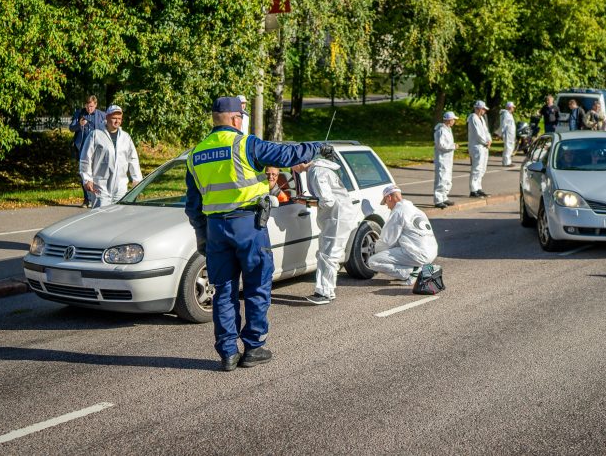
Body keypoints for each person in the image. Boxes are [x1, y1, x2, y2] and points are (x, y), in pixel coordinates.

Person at [185, 96, 323, 372]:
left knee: (224, 290)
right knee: (257, 286)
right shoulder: (245, 144)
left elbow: (193, 204)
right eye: (242, 117)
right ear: (236, 119)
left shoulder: (196, 154)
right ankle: (253, 347)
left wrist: (202, 235)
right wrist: (317, 147)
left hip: (216, 229)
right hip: (248, 226)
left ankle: (227, 353)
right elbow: (286, 155)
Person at [298, 150, 362, 305]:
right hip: (339, 216)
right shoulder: (320, 169)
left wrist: (306, 202)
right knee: (329, 255)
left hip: (337, 218)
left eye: (292, 162)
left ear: (302, 161)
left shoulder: (316, 172)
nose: (290, 166)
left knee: (328, 256)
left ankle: (324, 293)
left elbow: (327, 201)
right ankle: (328, 291)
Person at [369, 186, 438, 285]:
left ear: (389, 197)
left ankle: (411, 272)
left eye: (386, 202)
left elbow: (387, 240)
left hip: (418, 254)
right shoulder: (418, 211)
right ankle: (420, 267)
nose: (387, 206)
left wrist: (376, 250)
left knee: (373, 261)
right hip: (432, 252)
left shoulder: (398, 211)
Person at [79, 105, 142, 208]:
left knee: (120, 216)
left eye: (119, 118)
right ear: (107, 117)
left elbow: (133, 159)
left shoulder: (125, 137)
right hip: (100, 188)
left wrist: (137, 179)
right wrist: (87, 179)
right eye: (114, 118)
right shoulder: (95, 135)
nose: (117, 121)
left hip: (121, 188)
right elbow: (85, 159)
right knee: (101, 217)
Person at [69, 95, 107, 207]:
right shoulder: (79, 114)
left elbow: (107, 130)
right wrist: (79, 124)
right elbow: (71, 128)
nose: (89, 109)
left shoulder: (102, 115)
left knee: (97, 174)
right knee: (84, 174)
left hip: (97, 149)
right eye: (87, 106)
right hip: (82, 149)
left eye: (91, 106)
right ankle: (87, 200)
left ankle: (97, 197)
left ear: (95, 105)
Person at [432, 111, 457, 209]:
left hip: (448, 159)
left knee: (447, 179)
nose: (454, 121)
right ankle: (438, 199)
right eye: (453, 119)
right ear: (449, 120)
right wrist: (453, 146)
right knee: (441, 179)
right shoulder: (441, 130)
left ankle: (444, 197)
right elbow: (441, 145)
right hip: (442, 159)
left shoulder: (448, 129)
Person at [467, 100, 491, 198]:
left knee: (482, 168)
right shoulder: (473, 118)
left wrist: (489, 140)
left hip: (483, 146)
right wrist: (485, 142)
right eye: (483, 109)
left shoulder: (481, 118)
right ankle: (473, 189)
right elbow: (478, 134)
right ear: (478, 109)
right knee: (476, 168)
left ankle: (478, 187)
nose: (484, 111)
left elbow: (486, 131)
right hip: (477, 146)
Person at [499, 101, 516, 167]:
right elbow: (504, 124)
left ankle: (506, 161)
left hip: (510, 134)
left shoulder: (509, 114)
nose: (513, 108)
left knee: (509, 147)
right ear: (510, 107)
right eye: (513, 107)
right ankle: (507, 162)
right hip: (508, 134)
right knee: (508, 147)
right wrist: (502, 134)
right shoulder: (506, 114)